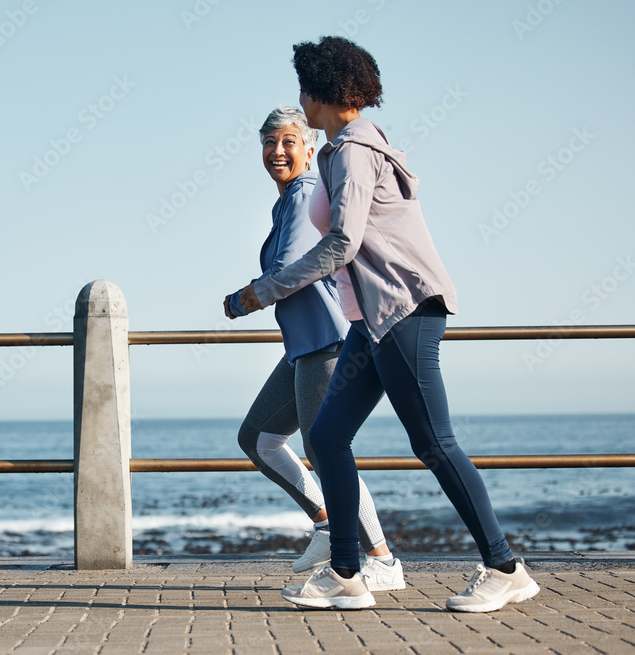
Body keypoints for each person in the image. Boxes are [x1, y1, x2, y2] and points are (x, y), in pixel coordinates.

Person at [233, 36, 540, 612]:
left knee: (434, 443)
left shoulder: (352, 151)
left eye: (304, 87)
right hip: (369, 321)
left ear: (319, 92)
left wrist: (259, 293)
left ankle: (505, 567)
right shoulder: (340, 150)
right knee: (325, 437)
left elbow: (342, 242)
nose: (301, 96)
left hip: (404, 311)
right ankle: (347, 573)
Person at [226, 106, 404, 593]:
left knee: (327, 452)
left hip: (328, 342)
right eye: (268, 143)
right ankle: (327, 522)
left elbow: (288, 268)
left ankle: (382, 559)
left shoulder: (305, 194)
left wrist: (244, 299)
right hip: (303, 347)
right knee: (258, 439)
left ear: (308, 148)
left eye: (287, 141)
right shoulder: (287, 201)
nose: (277, 152)